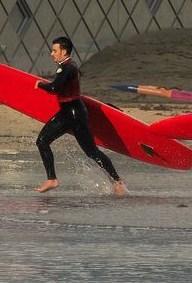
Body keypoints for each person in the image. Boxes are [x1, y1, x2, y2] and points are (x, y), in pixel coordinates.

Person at [33, 36, 127, 196]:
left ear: (63, 51)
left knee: (44, 141)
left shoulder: (67, 68)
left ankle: (52, 180)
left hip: (71, 114)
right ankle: (117, 181)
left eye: (54, 50)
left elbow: (55, 88)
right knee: (90, 152)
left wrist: (40, 84)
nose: (51, 53)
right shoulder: (70, 66)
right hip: (72, 113)